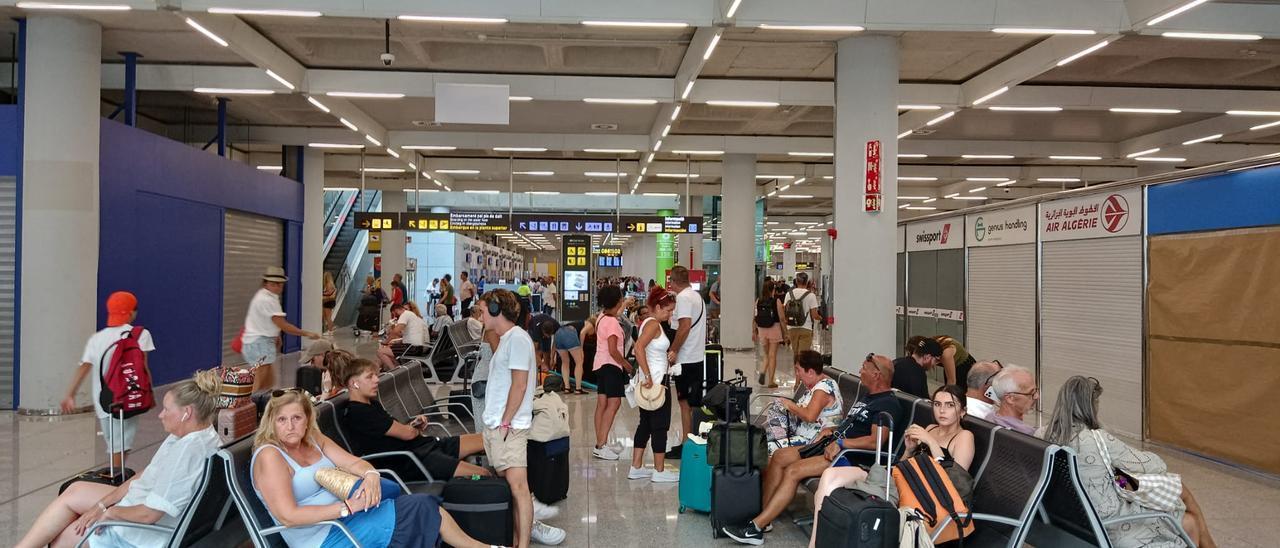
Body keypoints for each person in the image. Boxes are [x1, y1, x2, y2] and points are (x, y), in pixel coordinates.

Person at [250, 390, 498, 548]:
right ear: (271, 423)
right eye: (282, 420)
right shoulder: (270, 456)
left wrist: (370, 475)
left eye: (297, 418)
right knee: (415, 510)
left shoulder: (314, 438)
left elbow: (354, 463)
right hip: (323, 537)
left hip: (346, 518)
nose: (290, 426)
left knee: (421, 504)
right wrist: (346, 508)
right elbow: (288, 516)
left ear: (307, 420)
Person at [20, 370, 223, 548]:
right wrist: (101, 505)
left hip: (142, 534)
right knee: (74, 491)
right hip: (146, 506)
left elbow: (149, 515)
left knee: (63, 539)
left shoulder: (187, 453)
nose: (160, 415)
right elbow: (148, 474)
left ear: (186, 413)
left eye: (167, 409)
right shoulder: (199, 435)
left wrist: (110, 513)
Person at [722, 354, 904, 545]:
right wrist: (831, 430)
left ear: (876, 375)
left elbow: (874, 443)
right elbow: (854, 426)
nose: (860, 371)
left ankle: (755, 528)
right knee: (779, 456)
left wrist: (842, 444)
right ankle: (763, 517)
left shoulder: (888, 404)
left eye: (864, 368)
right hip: (831, 444)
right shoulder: (869, 397)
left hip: (850, 458)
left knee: (793, 471)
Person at [1042, 376, 1217, 548]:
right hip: (1111, 524)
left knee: (1180, 501)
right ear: (1090, 406)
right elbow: (1154, 465)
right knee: (1185, 508)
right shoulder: (1095, 439)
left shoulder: (1044, 435)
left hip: (1070, 520)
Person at [803, 385, 976, 548]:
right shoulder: (931, 428)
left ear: (963, 411)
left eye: (950, 405)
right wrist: (909, 450)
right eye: (937, 404)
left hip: (924, 496)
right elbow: (902, 464)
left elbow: (953, 483)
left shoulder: (964, 437)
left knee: (843, 487)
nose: (942, 410)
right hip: (900, 479)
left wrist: (930, 442)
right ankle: (815, 543)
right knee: (830, 476)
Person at [476, 289, 566, 547]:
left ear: (495, 310)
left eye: (483, 310)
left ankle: (523, 542)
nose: (480, 315)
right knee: (512, 489)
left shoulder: (516, 339)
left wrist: (505, 422)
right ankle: (518, 539)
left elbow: (519, 384)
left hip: (509, 427)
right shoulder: (507, 338)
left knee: (519, 489)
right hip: (499, 425)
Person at [338, 357, 491, 480]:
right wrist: (412, 430)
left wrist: (413, 427)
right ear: (354, 383)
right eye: (370, 377)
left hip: (424, 447)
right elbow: (407, 434)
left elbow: (400, 431)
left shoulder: (372, 405)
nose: (376, 380)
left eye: (376, 375)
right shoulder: (359, 412)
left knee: (487, 439)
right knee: (483, 475)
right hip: (413, 461)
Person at [62, 291, 155, 470]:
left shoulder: (97, 338)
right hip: (127, 395)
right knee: (121, 444)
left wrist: (70, 394)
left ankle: (115, 474)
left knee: (115, 442)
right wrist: (148, 395)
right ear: (132, 312)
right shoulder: (140, 335)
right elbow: (143, 368)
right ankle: (115, 479)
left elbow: (84, 367)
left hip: (103, 398)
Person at [628, 287, 679, 483]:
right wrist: (648, 375)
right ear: (657, 307)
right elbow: (638, 347)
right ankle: (659, 470)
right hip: (657, 383)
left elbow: (646, 349)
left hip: (650, 382)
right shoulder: (653, 325)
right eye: (668, 310)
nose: (670, 314)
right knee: (660, 426)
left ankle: (636, 466)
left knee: (646, 424)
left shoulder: (648, 323)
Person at [242, 267, 320, 391]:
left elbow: (267, 321)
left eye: (280, 284)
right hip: (259, 343)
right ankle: (251, 405)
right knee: (259, 381)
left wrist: (276, 335)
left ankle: (264, 403)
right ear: (265, 283)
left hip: (259, 342)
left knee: (268, 381)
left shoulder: (265, 296)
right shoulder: (267, 300)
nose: (277, 287)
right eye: (273, 284)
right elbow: (282, 324)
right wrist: (306, 333)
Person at [667, 265, 708, 457]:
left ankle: (687, 444)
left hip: (686, 358)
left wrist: (673, 350)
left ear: (674, 281)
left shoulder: (683, 298)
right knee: (691, 402)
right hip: (697, 356)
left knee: (685, 403)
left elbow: (684, 326)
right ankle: (689, 440)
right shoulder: (696, 296)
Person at [762, 350, 841, 447]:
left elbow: (810, 416)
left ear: (811, 372)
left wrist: (791, 406)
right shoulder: (819, 382)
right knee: (761, 441)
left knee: (765, 447)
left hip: (813, 441)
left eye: (798, 370)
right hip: (802, 434)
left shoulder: (822, 389)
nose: (797, 374)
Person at [591, 285, 631, 461]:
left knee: (602, 404)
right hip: (612, 365)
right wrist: (626, 365)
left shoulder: (602, 317)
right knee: (613, 404)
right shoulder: (613, 323)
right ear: (618, 301)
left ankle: (601, 443)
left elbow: (615, 312)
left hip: (600, 364)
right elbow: (614, 350)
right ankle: (601, 445)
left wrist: (624, 305)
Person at [752, 279, 788, 387]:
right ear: (773, 290)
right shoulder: (776, 301)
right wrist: (785, 333)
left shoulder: (758, 301)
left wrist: (753, 331)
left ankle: (763, 371)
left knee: (766, 355)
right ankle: (771, 381)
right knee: (773, 355)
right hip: (774, 328)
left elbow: (754, 317)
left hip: (762, 330)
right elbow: (781, 318)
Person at [377, 303, 431, 371]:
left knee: (380, 352)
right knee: (389, 350)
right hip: (415, 346)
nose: (395, 316)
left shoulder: (404, 314)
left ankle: (394, 371)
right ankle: (399, 369)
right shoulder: (411, 314)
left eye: (394, 313)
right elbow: (406, 333)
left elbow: (395, 331)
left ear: (396, 310)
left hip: (412, 347)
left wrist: (385, 341)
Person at [988, 364, 1038, 435]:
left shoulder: (989, 417)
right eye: (1031, 393)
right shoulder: (1027, 434)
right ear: (1010, 399)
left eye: (1036, 390)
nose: (1037, 396)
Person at [782, 272, 821, 352]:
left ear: (796, 281)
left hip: (791, 327)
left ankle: (795, 364)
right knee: (803, 355)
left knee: (795, 354)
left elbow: (785, 311)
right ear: (807, 282)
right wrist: (821, 318)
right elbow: (814, 315)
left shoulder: (789, 294)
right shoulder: (811, 295)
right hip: (806, 328)